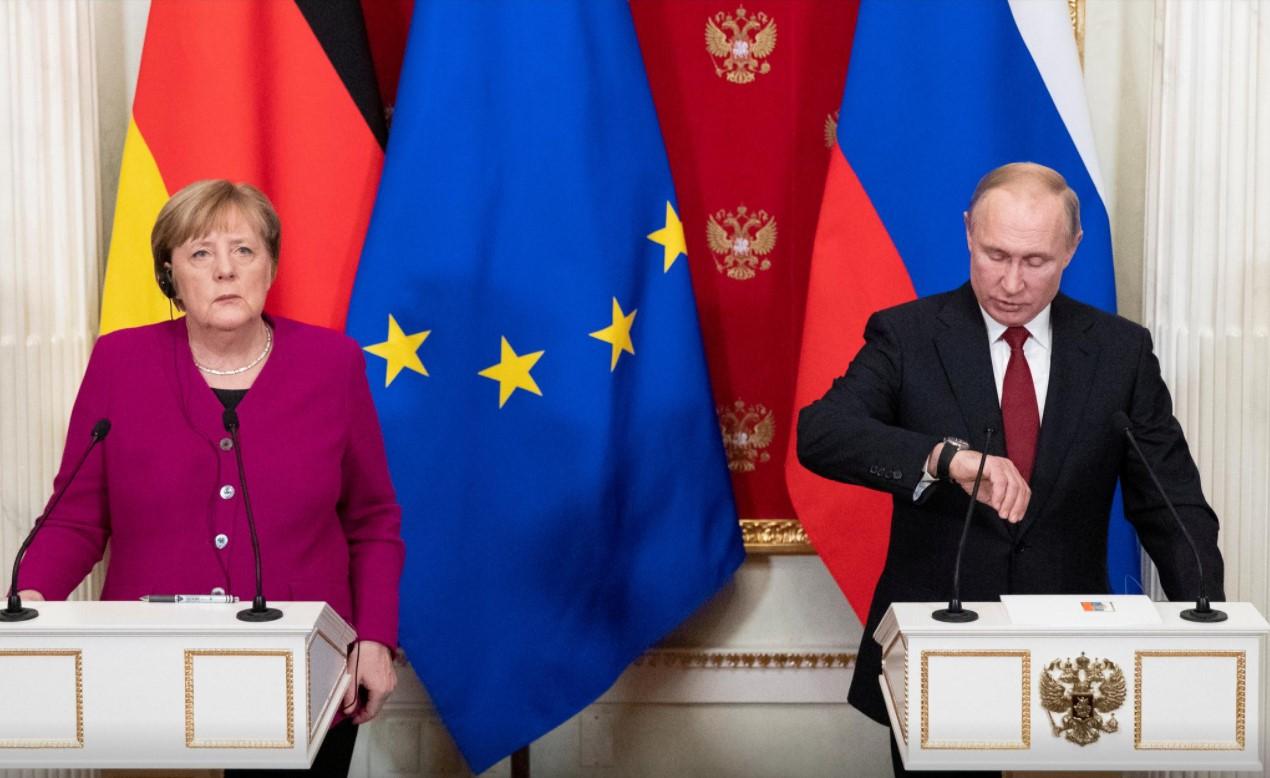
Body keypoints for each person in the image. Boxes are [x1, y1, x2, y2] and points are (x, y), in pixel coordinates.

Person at [796, 162, 1224, 778]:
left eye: (1036, 261)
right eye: (996, 254)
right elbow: (822, 433)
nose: (1012, 282)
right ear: (969, 232)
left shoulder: (1119, 352)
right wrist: (945, 459)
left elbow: (1173, 505)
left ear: (1073, 250)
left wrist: (1203, 622)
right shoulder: (908, 336)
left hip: (1075, 672)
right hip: (938, 654)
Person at [17, 179, 405, 776]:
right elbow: (76, 515)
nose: (225, 270)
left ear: (270, 265)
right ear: (170, 274)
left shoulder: (333, 365)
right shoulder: (121, 363)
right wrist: (31, 602)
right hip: (150, 681)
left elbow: (372, 520)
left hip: (303, 675)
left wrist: (375, 639)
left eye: (243, 250)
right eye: (201, 253)